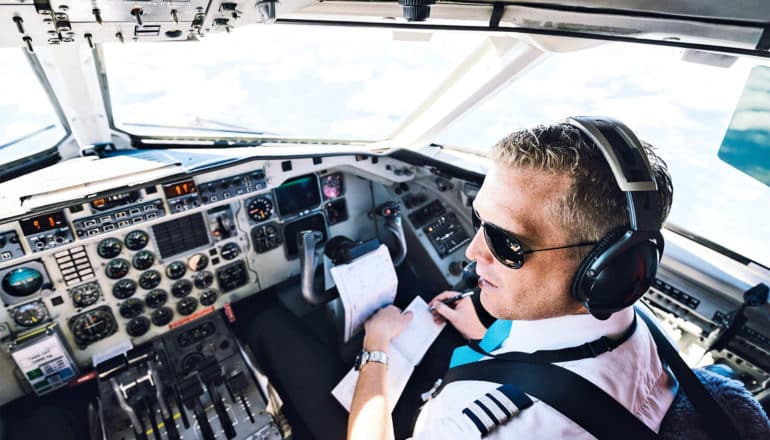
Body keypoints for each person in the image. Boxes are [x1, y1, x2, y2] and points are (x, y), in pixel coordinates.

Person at [245, 119, 676, 439]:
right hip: (479, 373)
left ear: (599, 271)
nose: (473, 252)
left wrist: (375, 348)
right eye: (479, 221)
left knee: (265, 323)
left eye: (506, 243)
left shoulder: (490, 425)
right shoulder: (637, 330)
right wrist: (479, 334)